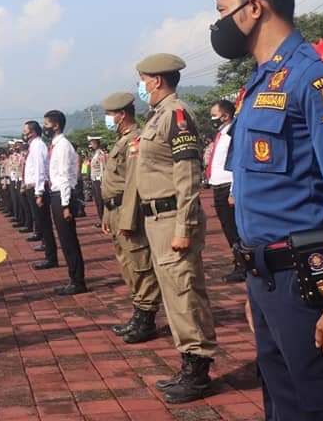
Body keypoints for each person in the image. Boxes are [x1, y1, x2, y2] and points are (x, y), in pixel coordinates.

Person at [207, 0, 323, 419]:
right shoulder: (258, 85)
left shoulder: (320, 78)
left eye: (223, 11)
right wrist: (254, 288)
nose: (218, 24)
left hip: (310, 280)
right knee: (285, 408)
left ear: (254, 7)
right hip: (268, 281)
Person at [130, 53, 217, 403]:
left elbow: (187, 175)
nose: (140, 86)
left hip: (172, 219)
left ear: (157, 80)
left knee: (185, 294)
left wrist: (185, 225)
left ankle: (198, 373)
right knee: (174, 295)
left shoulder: (176, 114)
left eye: (143, 79)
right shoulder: (158, 116)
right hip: (157, 220)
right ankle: (188, 365)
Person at [101, 93, 160, 343]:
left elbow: (133, 183)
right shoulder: (121, 140)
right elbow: (113, 182)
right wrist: (107, 214)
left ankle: (146, 319)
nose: (109, 119)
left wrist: (127, 220)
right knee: (127, 265)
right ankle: (138, 313)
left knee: (140, 265)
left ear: (122, 115)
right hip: (114, 210)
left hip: (127, 211)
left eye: (111, 114)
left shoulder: (134, 139)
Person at [42, 110, 88, 294]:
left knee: (69, 241)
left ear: (56, 125)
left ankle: (77, 281)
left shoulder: (62, 146)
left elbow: (64, 177)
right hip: (57, 195)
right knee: (65, 239)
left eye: (46, 124)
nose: (44, 127)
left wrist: (66, 205)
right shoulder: (55, 145)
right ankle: (74, 278)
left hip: (62, 196)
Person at [205, 100, 243, 283]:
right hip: (218, 184)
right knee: (227, 227)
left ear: (226, 115)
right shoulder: (221, 133)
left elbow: (236, 162)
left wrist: (234, 190)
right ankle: (238, 261)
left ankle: (242, 264)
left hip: (228, 184)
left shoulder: (234, 133)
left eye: (214, 115)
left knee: (234, 227)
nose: (212, 119)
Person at [24, 121, 57, 269]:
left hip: (39, 188)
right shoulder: (34, 145)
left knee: (44, 222)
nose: (24, 134)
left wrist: (38, 192)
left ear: (33, 132)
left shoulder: (38, 145)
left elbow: (39, 169)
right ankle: (49, 253)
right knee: (41, 222)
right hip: (34, 187)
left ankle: (51, 257)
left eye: (26, 131)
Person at [89, 137, 107, 227]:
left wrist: (103, 183)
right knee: (97, 201)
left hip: (99, 180)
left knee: (101, 202)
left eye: (92, 143)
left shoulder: (100, 154)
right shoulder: (95, 154)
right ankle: (102, 219)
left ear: (96, 143)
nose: (91, 145)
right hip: (94, 180)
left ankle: (104, 220)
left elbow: (102, 168)